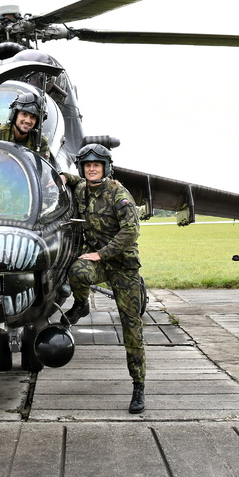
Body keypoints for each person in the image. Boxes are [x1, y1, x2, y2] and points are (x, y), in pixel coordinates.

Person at [62, 144, 147, 413]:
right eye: (87, 165)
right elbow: (74, 180)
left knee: (131, 326)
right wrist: (65, 177)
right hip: (98, 264)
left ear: (106, 168)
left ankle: (138, 386)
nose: (91, 168)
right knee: (76, 270)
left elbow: (131, 231)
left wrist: (101, 254)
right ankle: (81, 304)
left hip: (122, 267)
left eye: (96, 165)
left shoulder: (119, 194)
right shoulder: (80, 189)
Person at [0, 91, 51, 159]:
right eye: (24, 114)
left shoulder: (40, 142)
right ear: (15, 115)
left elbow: (42, 168)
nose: (28, 121)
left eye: (33, 117)